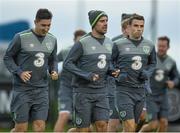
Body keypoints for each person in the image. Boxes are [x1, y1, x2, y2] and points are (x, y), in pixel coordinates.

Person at [3, 8, 58, 132]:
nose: (46, 28)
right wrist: (19, 72)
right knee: (21, 129)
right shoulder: (21, 37)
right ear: (35, 22)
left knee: (40, 126)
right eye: (43, 25)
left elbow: (53, 59)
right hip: (22, 90)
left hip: (42, 89)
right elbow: (8, 58)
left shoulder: (52, 40)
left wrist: (53, 70)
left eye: (49, 25)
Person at [63, 10, 119, 132]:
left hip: (102, 92)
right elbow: (67, 63)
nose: (105, 24)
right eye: (102, 21)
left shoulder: (110, 43)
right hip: (83, 93)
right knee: (83, 130)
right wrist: (86, 75)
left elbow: (107, 64)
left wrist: (112, 71)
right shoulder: (82, 43)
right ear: (94, 23)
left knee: (102, 126)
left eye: (106, 21)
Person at [111, 14, 157, 132]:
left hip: (140, 91)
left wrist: (148, 73)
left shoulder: (150, 45)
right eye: (136, 25)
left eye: (142, 26)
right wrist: (115, 72)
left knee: (130, 129)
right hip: (123, 91)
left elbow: (153, 64)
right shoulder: (118, 44)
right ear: (129, 27)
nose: (139, 28)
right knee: (130, 125)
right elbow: (109, 63)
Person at [140, 36, 179, 132]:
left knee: (164, 123)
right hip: (151, 96)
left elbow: (177, 77)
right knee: (153, 125)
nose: (161, 48)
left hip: (163, 95)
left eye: (163, 46)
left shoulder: (171, 62)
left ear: (168, 47)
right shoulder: (150, 59)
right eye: (159, 46)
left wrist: (173, 83)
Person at [54, 29, 86, 132]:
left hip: (82, 91)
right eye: (78, 41)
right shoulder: (65, 51)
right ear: (74, 41)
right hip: (66, 89)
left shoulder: (90, 54)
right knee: (64, 115)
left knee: (86, 127)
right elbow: (53, 61)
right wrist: (54, 71)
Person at [107, 13, 132, 132]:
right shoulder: (114, 42)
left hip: (132, 88)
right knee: (114, 121)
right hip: (114, 86)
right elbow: (107, 62)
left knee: (132, 122)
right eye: (126, 25)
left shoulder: (140, 43)